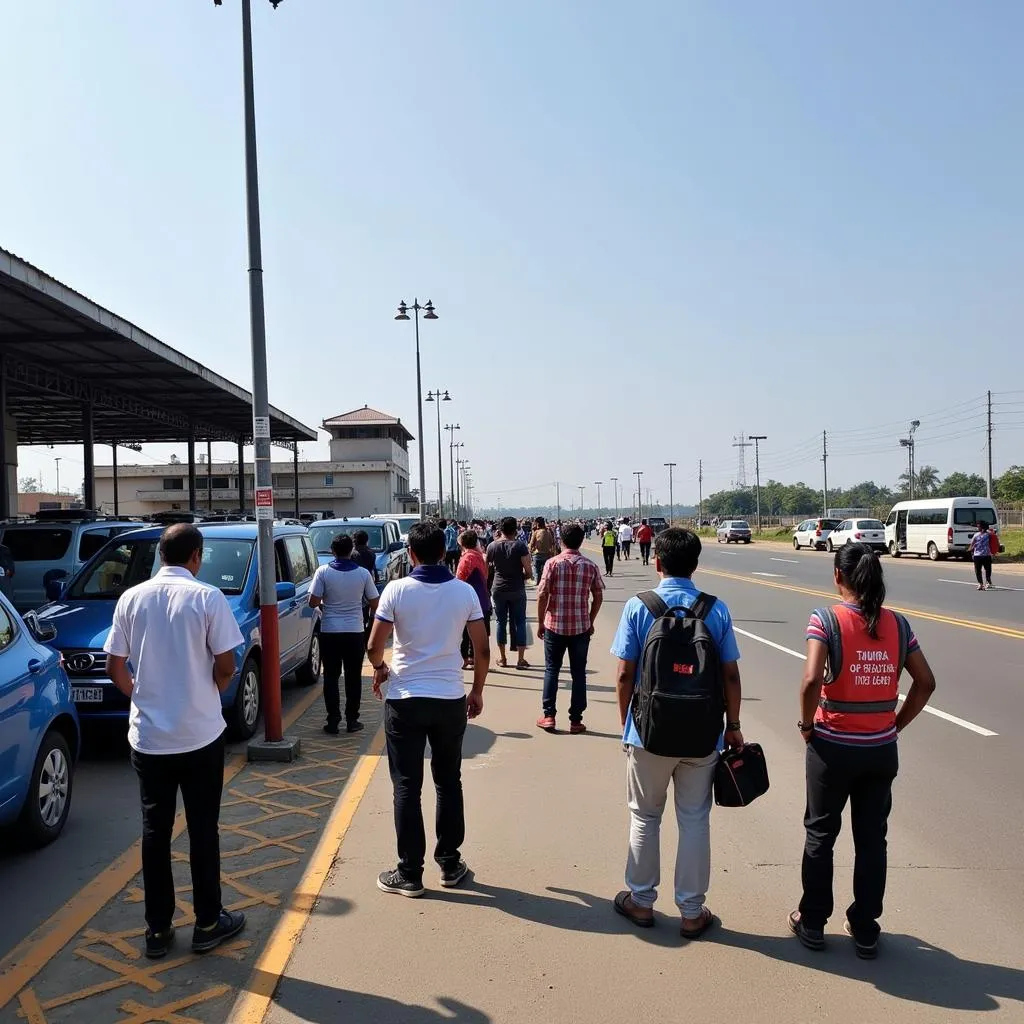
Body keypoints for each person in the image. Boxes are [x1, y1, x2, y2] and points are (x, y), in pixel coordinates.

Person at [104, 524, 246, 959]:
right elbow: (227, 662)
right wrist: (210, 691)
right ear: (196, 557)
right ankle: (207, 922)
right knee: (203, 829)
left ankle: (158, 931)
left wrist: (141, 696)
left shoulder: (131, 598)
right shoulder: (207, 598)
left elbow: (115, 666)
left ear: (160, 556)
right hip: (201, 736)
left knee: (155, 833)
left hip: (149, 740)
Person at [790, 543, 936, 959]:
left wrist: (806, 726)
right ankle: (866, 926)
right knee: (872, 839)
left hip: (832, 747)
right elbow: (925, 682)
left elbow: (810, 681)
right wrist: (894, 725)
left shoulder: (826, 620)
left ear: (839, 576)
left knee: (821, 833)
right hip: (879, 750)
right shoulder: (898, 624)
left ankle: (813, 921)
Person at [610, 528, 743, 939]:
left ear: (657, 563)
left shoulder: (638, 607)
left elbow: (623, 674)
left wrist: (627, 724)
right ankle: (691, 911)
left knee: (645, 816)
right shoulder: (715, 610)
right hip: (703, 734)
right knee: (694, 819)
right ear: (696, 564)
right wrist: (733, 726)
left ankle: (642, 902)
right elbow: (731, 674)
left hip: (649, 731)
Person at [366, 522, 491, 897]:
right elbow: (481, 650)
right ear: (444, 550)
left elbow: (374, 646)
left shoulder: (396, 590)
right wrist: (477, 691)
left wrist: (380, 669)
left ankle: (409, 873)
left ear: (413, 553)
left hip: (405, 699)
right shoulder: (464, 592)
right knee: (448, 781)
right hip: (449, 697)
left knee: (407, 786)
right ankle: (450, 864)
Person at [535, 523, 604, 733]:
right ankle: (575, 720)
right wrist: (590, 620)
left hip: (555, 625)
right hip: (581, 627)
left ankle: (549, 716)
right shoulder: (590, 565)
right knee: (578, 673)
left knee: (552, 670)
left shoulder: (552, 564)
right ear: (581, 541)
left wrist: (540, 622)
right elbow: (598, 595)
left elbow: (542, 594)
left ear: (560, 541)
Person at [309, 534, 379, 735]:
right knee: (353, 678)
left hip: (330, 631)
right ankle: (352, 720)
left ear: (332, 551)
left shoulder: (323, 572)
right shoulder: (363, 574)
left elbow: (313, 601)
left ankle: (333, 721)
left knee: (330, 677)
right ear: (351, 551)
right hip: (355, 632)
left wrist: (325, 603)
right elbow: (375, 602)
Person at [486, 516, 533, 670]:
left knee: (500, 622)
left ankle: (503, 658)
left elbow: (487, 570)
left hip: (498, 588)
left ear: (501, 529)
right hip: (517, 588)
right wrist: (522, 577)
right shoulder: (520, 546)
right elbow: (529, 571)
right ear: (515, 530)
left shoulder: (492, 546)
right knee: (520, 622)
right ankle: (520, 659)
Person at [456, 529, 492, 670]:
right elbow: (486, 576)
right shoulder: (480, 556)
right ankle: (475, 657)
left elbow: (459, 579)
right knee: (480, 633)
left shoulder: (467, 558)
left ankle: (465, 658)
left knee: (465, 632)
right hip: (482, 599)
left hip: (469, 600)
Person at [968, 520, 998, 590]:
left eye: (979, 526)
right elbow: (972, 545)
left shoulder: (988, 534)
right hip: (977, 556)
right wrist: (971, 552)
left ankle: (988, 582)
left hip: (986, 555)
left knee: (987, 570)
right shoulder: (976, 535)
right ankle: (980, 584)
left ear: (983, 527)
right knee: (978, 570)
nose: (978, 528)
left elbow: (994, 541)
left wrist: (994, 551)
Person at [529, 515, 557, 586]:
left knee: (535, 568)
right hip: (547, 555)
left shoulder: (536, 532)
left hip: (537, 555)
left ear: (537, 524)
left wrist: (530, 551)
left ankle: (537, 580)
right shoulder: (548, 532)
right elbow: (552, 543)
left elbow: (531, 544)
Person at [0, 539, 14, 603]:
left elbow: (10, 563)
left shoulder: (4, 549)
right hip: (3, 574)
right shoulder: (4, 548)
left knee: (7, 596)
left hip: (3, 574)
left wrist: (10, 570)